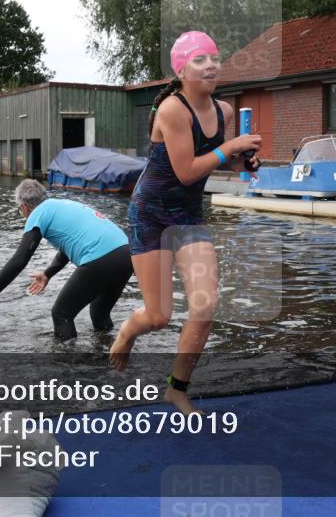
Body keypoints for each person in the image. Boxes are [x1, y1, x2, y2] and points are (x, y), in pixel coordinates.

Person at [108, 31, 262, 415]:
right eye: (199, 59)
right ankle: (128, 330)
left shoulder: (225, 112)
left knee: (206, 305)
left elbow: (215, 158)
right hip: (151, 215)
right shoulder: (172, 111)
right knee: (158, 317)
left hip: (189, 215)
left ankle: (176, 388)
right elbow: (188, 170)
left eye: (214, 57)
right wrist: (229, 149)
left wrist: (241, 161)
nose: (211, 64)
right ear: (180, 70)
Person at [0, 179, 133, 343]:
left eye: (20, 211)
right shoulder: (62, 205)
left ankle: (67, 364)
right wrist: (48, 274)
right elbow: (68, 247)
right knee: (99, 313)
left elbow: (20, 259)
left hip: (101, 257)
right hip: (126, 254)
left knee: (62, 313)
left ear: (24, 207)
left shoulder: (37, 213)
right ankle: (111, 357)